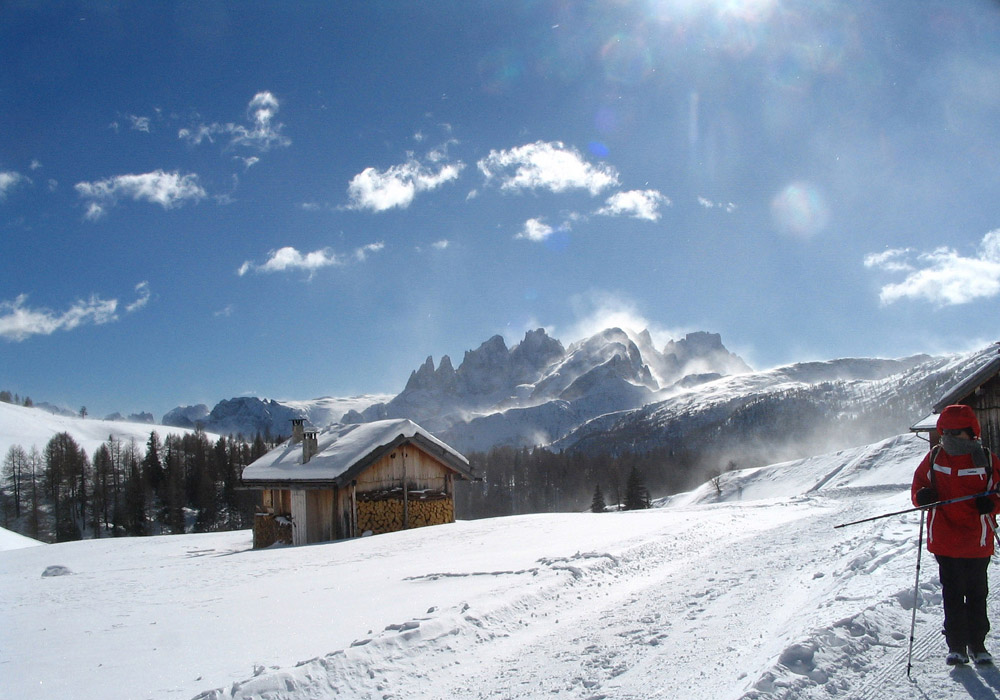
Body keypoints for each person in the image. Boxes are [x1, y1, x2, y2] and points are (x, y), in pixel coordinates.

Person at [912, 404, 1000, 666]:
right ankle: (956, 646)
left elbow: (998, 492)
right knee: (952, 593)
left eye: (957, 432)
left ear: (971, 432)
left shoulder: (986, 459)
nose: (951, 437)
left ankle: (978, 645)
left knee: (976, 593)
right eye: (947, 432)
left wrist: (992, 504)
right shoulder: (934, 458)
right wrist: (923, 497)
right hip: (945, 540)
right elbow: (919, 489)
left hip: (977, 540)